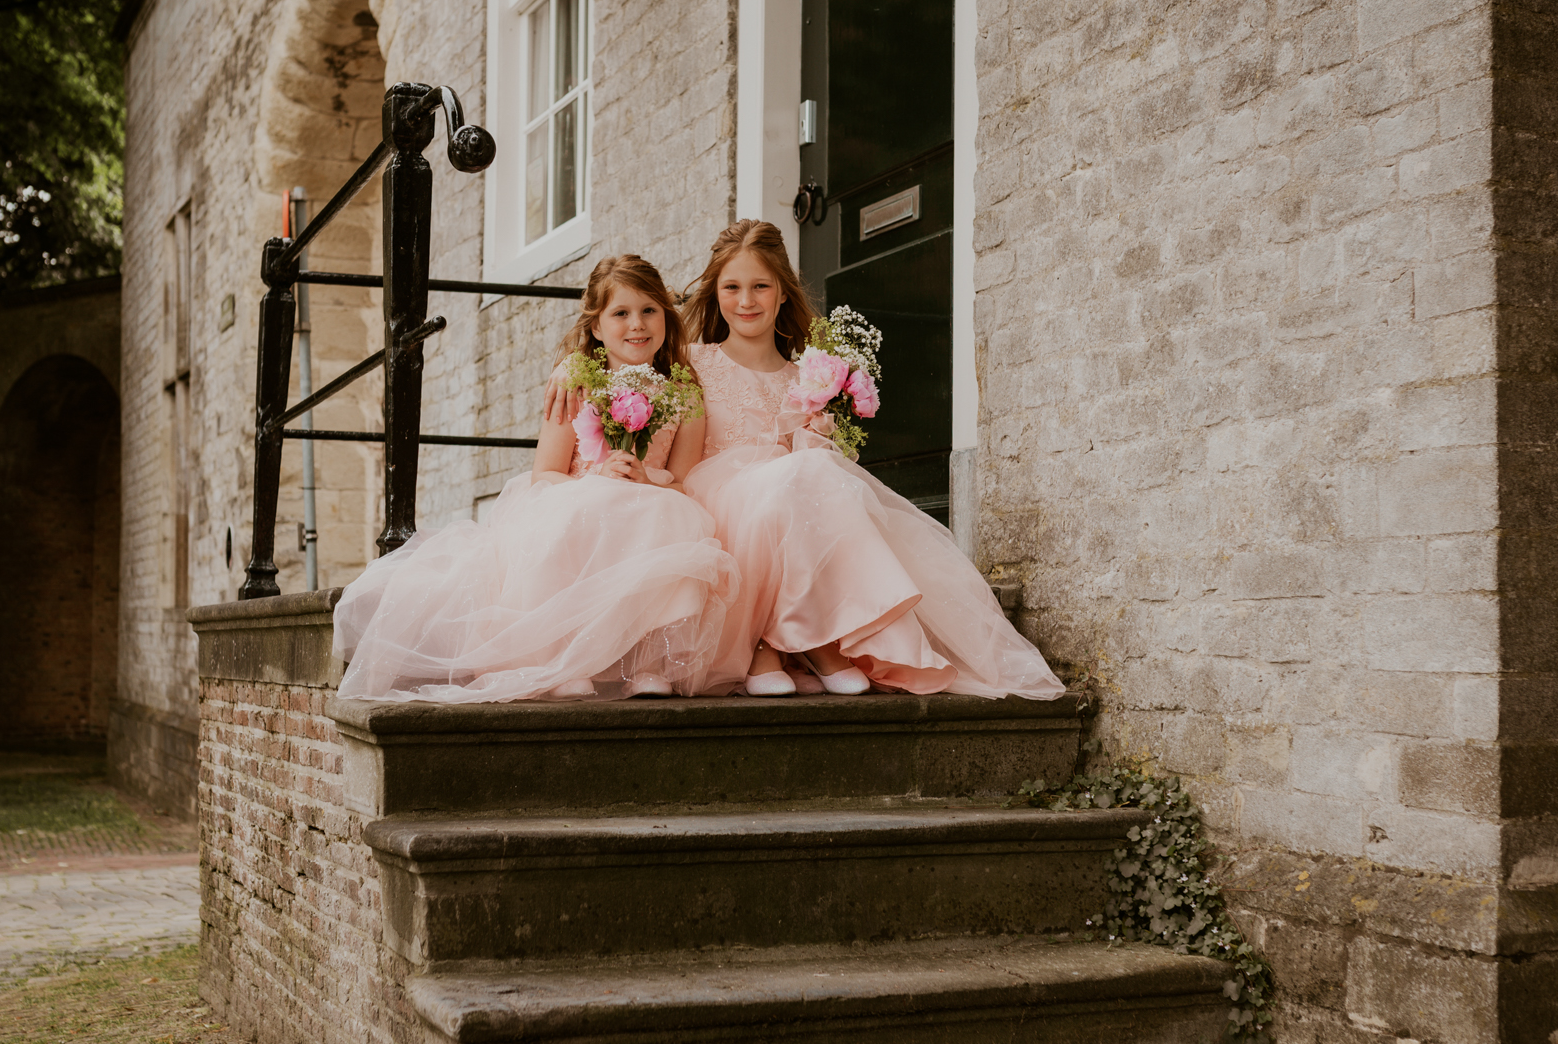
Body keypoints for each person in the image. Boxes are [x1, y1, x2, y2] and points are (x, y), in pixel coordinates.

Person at [549, 219, 1063, 699]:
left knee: (819, 475)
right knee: (780, 490)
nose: (746, 301)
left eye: (761, 286)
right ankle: (776, 644)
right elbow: (627, 351)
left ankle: (814, 638)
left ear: (782, 292)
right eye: (732, 287)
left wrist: (820, 433)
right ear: (715, 293)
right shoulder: (690, 362)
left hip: (784, 509)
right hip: (715, 503)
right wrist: (570, 363)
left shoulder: (810, 378)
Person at [332, 254, 739, 702]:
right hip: (578, 495)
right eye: (620, 313)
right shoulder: (577, 383)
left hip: (650, 497)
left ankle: (647, 663)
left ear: (665, 315)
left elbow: (682, 482)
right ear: (597, 326)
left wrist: (647, 481)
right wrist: (597, 480)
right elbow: (545, 473)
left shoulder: (683, 392)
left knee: (673, 514)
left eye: (649, 310)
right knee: (583, 513)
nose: (637, 324)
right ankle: (564, 659)